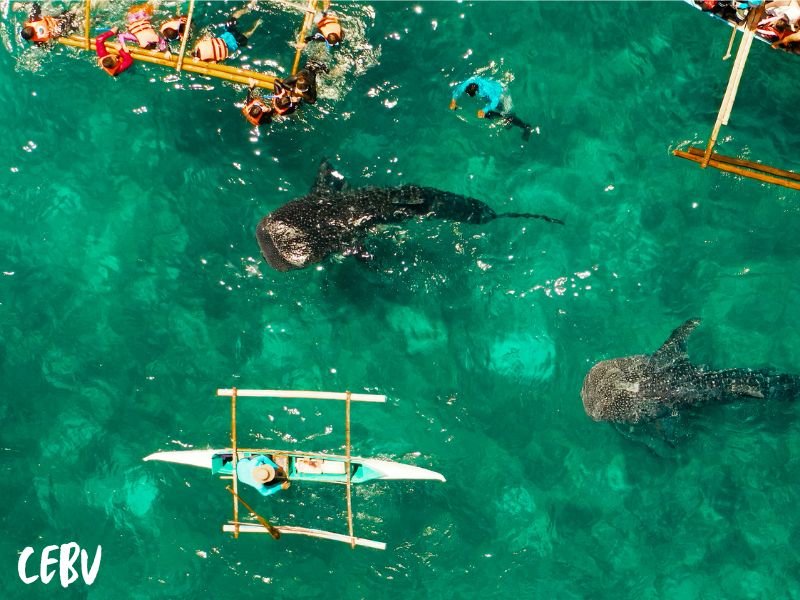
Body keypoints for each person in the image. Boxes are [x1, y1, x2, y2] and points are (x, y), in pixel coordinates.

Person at [450, 77, 534, 141]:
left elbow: (495, 101)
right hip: (493, 93)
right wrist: (453, 101)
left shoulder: (487, 89)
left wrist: (484, 110)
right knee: (490, 114)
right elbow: (458, 89)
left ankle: (525, 127)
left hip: (502, 93)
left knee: (507, 115)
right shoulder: (469, 82)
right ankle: (506, 119)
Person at [193, 7, 262, 62]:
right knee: (234, 16)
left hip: (235, 42)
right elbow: (206, 37)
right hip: (228, 33)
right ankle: (248, 8)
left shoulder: (209, 61)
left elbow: (223, 58)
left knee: (248, 33)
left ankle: (257, 24)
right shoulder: (199, 46)